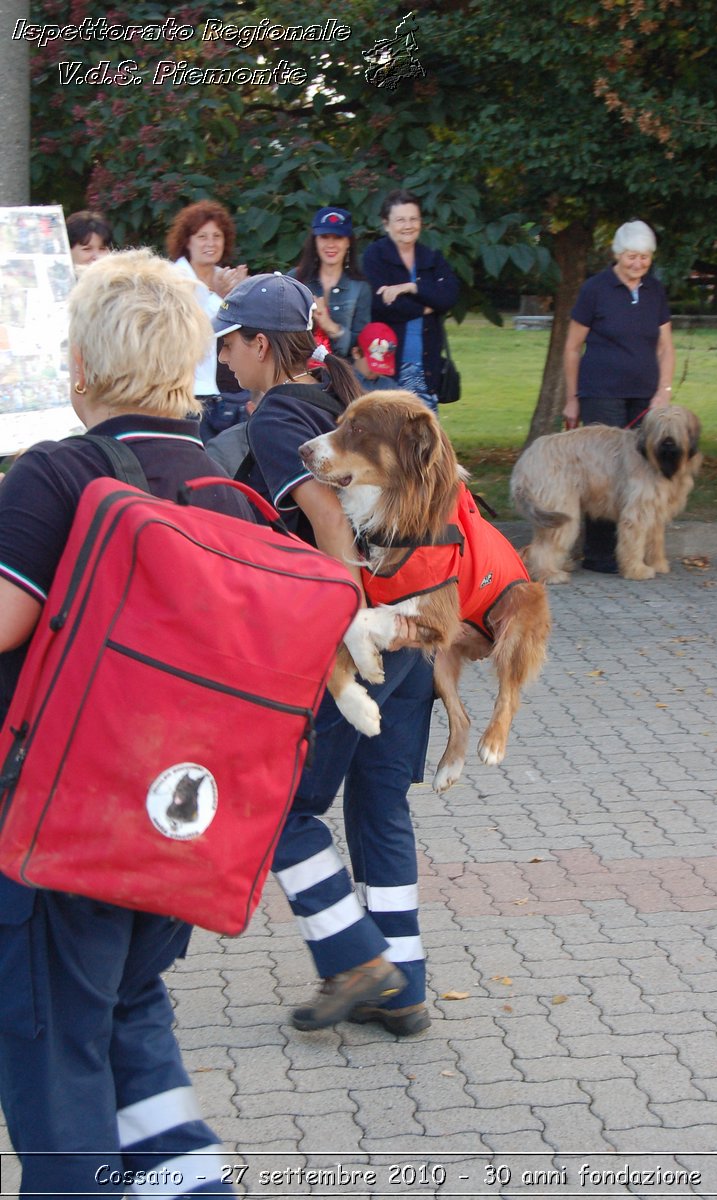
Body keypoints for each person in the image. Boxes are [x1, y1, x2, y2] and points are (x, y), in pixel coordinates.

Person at [0, 249, 254, 1196]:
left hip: (59, 835)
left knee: (57, 1062)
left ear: (77, 365)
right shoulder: (226, 487)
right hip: (180, 831)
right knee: (127, 1019)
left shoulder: (59, 476)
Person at [214, 273, 435, 1036]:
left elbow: (328, 524)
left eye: (229, 341)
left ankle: (355, 958)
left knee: (282, 807)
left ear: (257, 344)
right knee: (379, 807)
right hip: (417, 628)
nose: (223, 357)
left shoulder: (280, 414)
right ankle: (403, 987)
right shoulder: (338, 394)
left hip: (359, 639)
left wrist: (346, 626)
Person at [562, 220, 675, 574]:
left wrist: (663, 391)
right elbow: (571, 348)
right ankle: (599, 554)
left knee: (643, 476)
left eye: (644, 257)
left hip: (645, 400)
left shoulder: (655, 291)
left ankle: (636, 553)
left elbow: (666, 348)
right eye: (631, 256)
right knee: (603, 474)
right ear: (617, 254)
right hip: (601, 394)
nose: (638, 263)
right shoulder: (595, 289)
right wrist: (572, 397)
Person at [362, 189, 459, 413]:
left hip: (426, 367)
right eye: (400, 220)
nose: (408, 225)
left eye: (413, 219)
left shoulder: (431, 257)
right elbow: (381, 306)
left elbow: (449, 296)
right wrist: (428, 305)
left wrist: (411, 287)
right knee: (387, 437)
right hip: (386, 365)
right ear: (386, 224)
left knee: (422, 439)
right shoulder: (374, 256)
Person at [165, 199, 249, 441]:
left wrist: (242, 295)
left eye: (217, 236)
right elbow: (191, 332)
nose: (210, 243)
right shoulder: (172, 279)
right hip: (183, 394)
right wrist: (223, 298)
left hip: (227, 397)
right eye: (202, 236)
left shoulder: (228, 277)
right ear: (187, 241)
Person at [291, 206, 372, 358]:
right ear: (315, 241)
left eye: (338, 237)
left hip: (343, 375)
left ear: (348, 242)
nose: (331, 244)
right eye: (324, 237)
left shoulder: (361, 287)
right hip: (300, 371)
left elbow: (363, 345)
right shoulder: (295, 280)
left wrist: (330, 326)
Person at [351, 320, 400, 390]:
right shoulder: (341, 380)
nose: (377, 372)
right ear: (356, 353)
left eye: (382, 368)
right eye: (373, 366)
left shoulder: (388, 386)